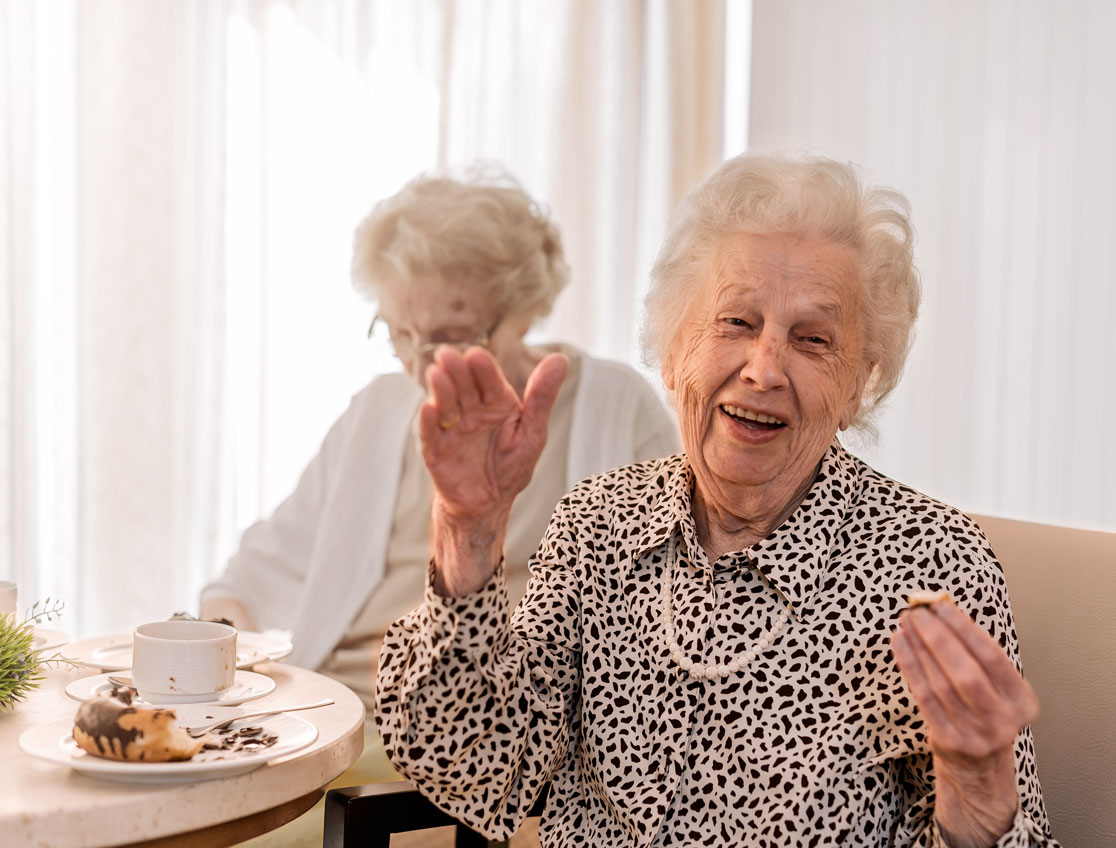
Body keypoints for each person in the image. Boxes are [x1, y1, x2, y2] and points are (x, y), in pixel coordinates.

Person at [376, 152, 1061, 847]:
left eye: (813, 339)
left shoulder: (929, 567)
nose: (763, 369)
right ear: (673, 355)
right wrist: (467, 531)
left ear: (859, 384)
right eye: (736, 322)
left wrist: (977, 799)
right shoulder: (596, 525)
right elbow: (480, 770)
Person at [199, 169, 680, 804]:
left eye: (453, 338)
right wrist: (216, 651)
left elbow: (658, 635)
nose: (424, 364)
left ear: (523, 311)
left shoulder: (614, 409)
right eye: (399, 334)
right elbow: (246, 581)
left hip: (457, 752)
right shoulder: (377, 410)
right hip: (313, 719)